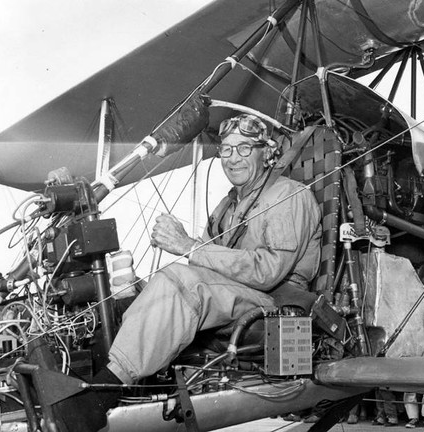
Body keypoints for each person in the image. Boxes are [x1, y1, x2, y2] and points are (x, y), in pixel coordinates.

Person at [63, 114, 322, 431]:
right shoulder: (228, 205)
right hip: (237, 295)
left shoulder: (288, 196)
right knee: (156, 284)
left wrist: (186, 244)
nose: (233, 159)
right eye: (226, 150)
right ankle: (102, 377)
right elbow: (204, 267)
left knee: (181, 283)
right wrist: (147, 283)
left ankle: (98, 398)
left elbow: (268, 271)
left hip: (275, 304)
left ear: (266, 152)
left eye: (244, 148)